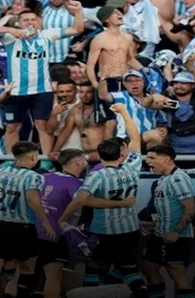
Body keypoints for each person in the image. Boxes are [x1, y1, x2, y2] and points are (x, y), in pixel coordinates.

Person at [57, 104, 147, 295]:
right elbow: (136, 139)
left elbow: (81, 200)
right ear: (121, 153)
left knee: (94, 267)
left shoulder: (96, 176)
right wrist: (124, 112)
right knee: (128, 270)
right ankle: (141, 292)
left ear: (100, 154)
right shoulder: (132, 167)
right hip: (130, 229)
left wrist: (63, 219)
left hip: (103, 230)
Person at [0, 1, 85, 153]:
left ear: (38, 21)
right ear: (19, 23)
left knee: (42, 125)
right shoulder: (10, 38)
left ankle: (46, 160)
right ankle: (11, 161)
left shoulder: (47, 35)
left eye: (33, 19)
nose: (30, 22)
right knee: (13, 127)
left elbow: (77, 28)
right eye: (26, 20)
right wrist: (10, 29)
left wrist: (78, 11)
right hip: (16, 91)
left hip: (42, 90)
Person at [0, 141, 57, 298]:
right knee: (27, 270)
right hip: (22, 228)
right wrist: (45, 222)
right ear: (34, 157)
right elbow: (32, 198)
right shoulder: (34, 177)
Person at [142, 144, 195, 298]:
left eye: (152, 158)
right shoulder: (162, 180)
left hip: (177, 237)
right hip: (160, 234)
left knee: (176, 271)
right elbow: (167, 212)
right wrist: (150, 224)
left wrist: (176, 232)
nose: (147, 161)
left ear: (166, 159)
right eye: (147, 158)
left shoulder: (179, 178)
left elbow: (190, 208)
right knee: (148, 267)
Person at [37, 149, 87, 298]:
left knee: (25, 272)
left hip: (33, 231)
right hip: (56, 236)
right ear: (78, 162)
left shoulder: (43, 177)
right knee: (54, 276)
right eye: (84, 160)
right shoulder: (78, 185)